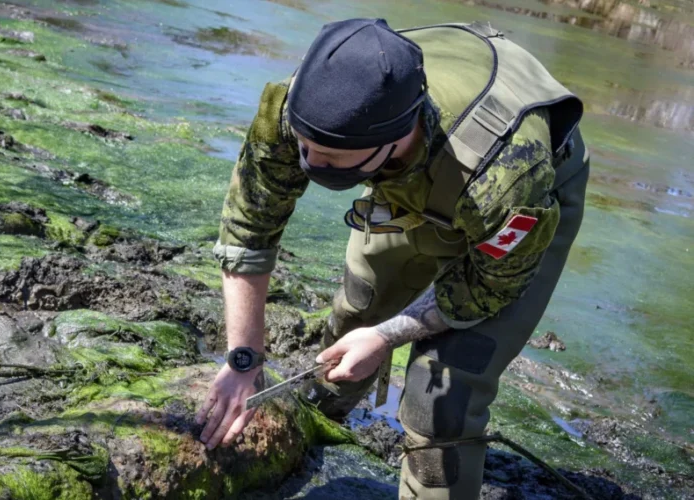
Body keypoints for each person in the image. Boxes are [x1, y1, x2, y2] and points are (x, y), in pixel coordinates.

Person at [195, 18, 589, 499]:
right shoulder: (303, 103)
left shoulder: (506, 178)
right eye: (304, 147)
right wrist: (243, 361)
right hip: (412, 163)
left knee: (441, 393)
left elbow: (485, 290)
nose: (310, 164)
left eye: (332, 158)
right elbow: (248, 229)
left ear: (394, 138)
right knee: (359, 305)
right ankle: (323, 416)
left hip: (519, 188)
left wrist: (388, 336)